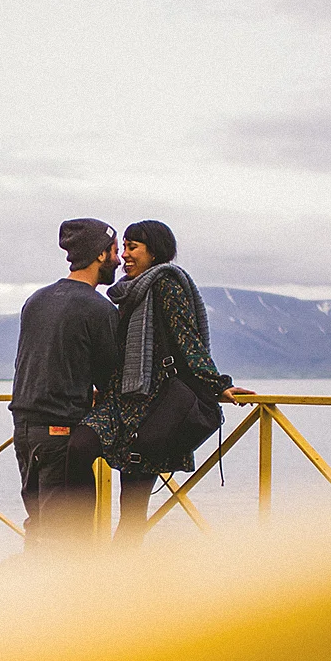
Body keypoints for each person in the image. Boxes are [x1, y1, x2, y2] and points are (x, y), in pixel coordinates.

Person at [81, 219, 252, 546]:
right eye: (123, 247)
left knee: (132, 507)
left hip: (152, 407)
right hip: (121, 403)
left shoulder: (166, 286)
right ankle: (79, 546)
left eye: (132, 247)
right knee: (79, 447)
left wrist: (219, 385)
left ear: (154, 251)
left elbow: (188, 340)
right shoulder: (129, 292)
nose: (124, 255)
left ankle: (116, 570)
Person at [8, 218, 121, 551]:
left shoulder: (36, 300)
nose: (118, 259)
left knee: (41, 527)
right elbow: (111, 377)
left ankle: (33, 583)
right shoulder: (99, 309)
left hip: (25, 430)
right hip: (61, 433)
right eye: (114, 251)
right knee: (69, 539)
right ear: (100, 254)